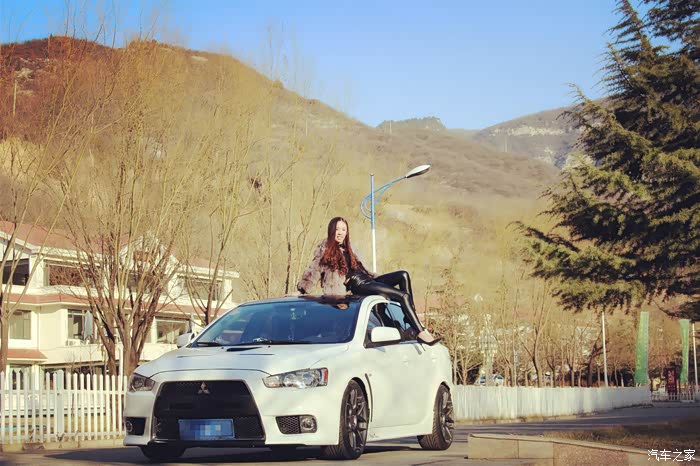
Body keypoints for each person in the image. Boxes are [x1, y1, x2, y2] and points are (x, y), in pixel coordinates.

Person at [297, 216, 442, 345]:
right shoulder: (325, 250)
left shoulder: (349, 249)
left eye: (343, 229)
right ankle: (420, 332)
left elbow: (362, 269)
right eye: (337, 229)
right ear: (331, 230)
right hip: (358, 283)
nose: (340, 232)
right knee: (402, 295)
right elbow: (313, 270)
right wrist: (302, 289)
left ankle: (411, 318)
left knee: (403, 275)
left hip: (368, 278)